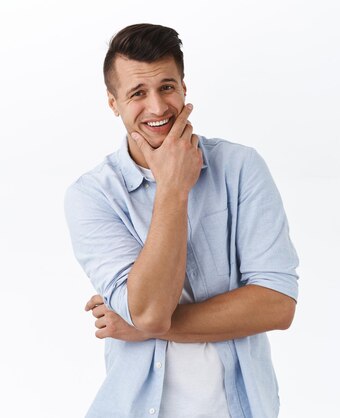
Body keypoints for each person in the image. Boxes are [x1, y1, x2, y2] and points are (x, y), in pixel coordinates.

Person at [64, 23, 299, 418]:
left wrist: (142, 326)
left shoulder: (240, 169)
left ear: (184, 88)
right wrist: (173, 187)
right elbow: (153, 311)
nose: (157, 108)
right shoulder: (92, 196)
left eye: (167, 87)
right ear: (113, 103)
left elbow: (277, 305)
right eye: (138, 93)